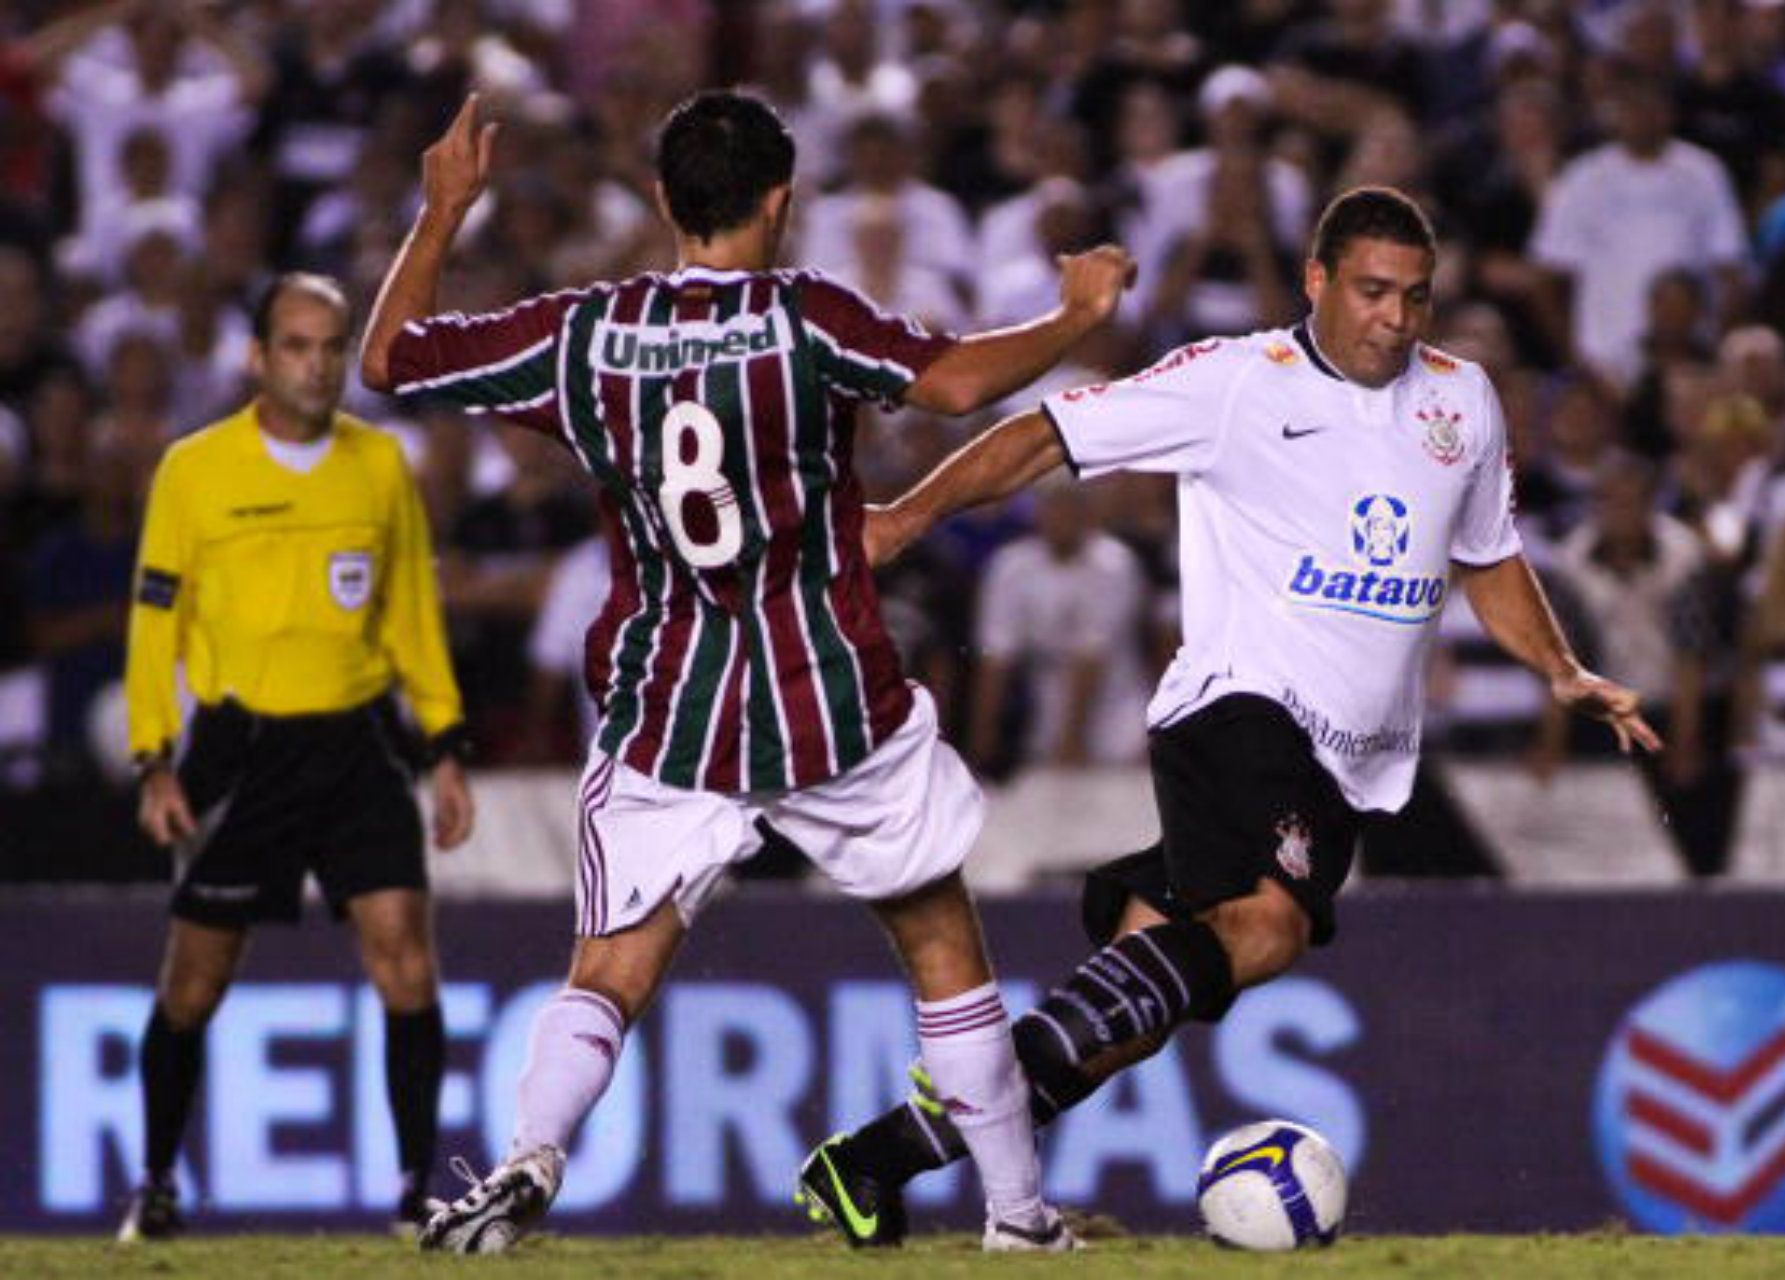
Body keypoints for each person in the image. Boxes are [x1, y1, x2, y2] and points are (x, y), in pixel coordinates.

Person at [804, 186, 1661, 1246]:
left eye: (1418, 296)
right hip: (1239, 707)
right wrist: (905, 517)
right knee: (1268, 924)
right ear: (1317, 280)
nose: (1397, 318)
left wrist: (1562, 669)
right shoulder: (1233, 382)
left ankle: (881, 1157)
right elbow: (1044, 435)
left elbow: (1485, 553)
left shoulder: (1462, 400)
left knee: (1134, 1010)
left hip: (1348, 763)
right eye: (1374, 291)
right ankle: (967, 1145)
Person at [358, 91, 1134, 1254]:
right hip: (828, 696)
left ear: (665, 200)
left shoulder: (585, 333)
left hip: (670, 704)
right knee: (939, 944)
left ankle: (530, 1151)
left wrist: (444, 210)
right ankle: (1018, 1215)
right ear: (782, 202)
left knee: (609, 971)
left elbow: (390, 358)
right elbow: (962, 384)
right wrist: (1075, 311)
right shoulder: (803, 320)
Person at [119, 272, 476, 1241]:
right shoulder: (195, 470)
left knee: (407, 959)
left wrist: (443, 744)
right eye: (297, 345)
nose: (318, 365)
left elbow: (412, 612)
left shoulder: (380, 466)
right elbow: (155, 620)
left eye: (331, 346)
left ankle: (413, 1191)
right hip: (242, 753)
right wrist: (155, 755)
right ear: (257, 357)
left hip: (357, 741)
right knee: (194, 980)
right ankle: (155, 1181)